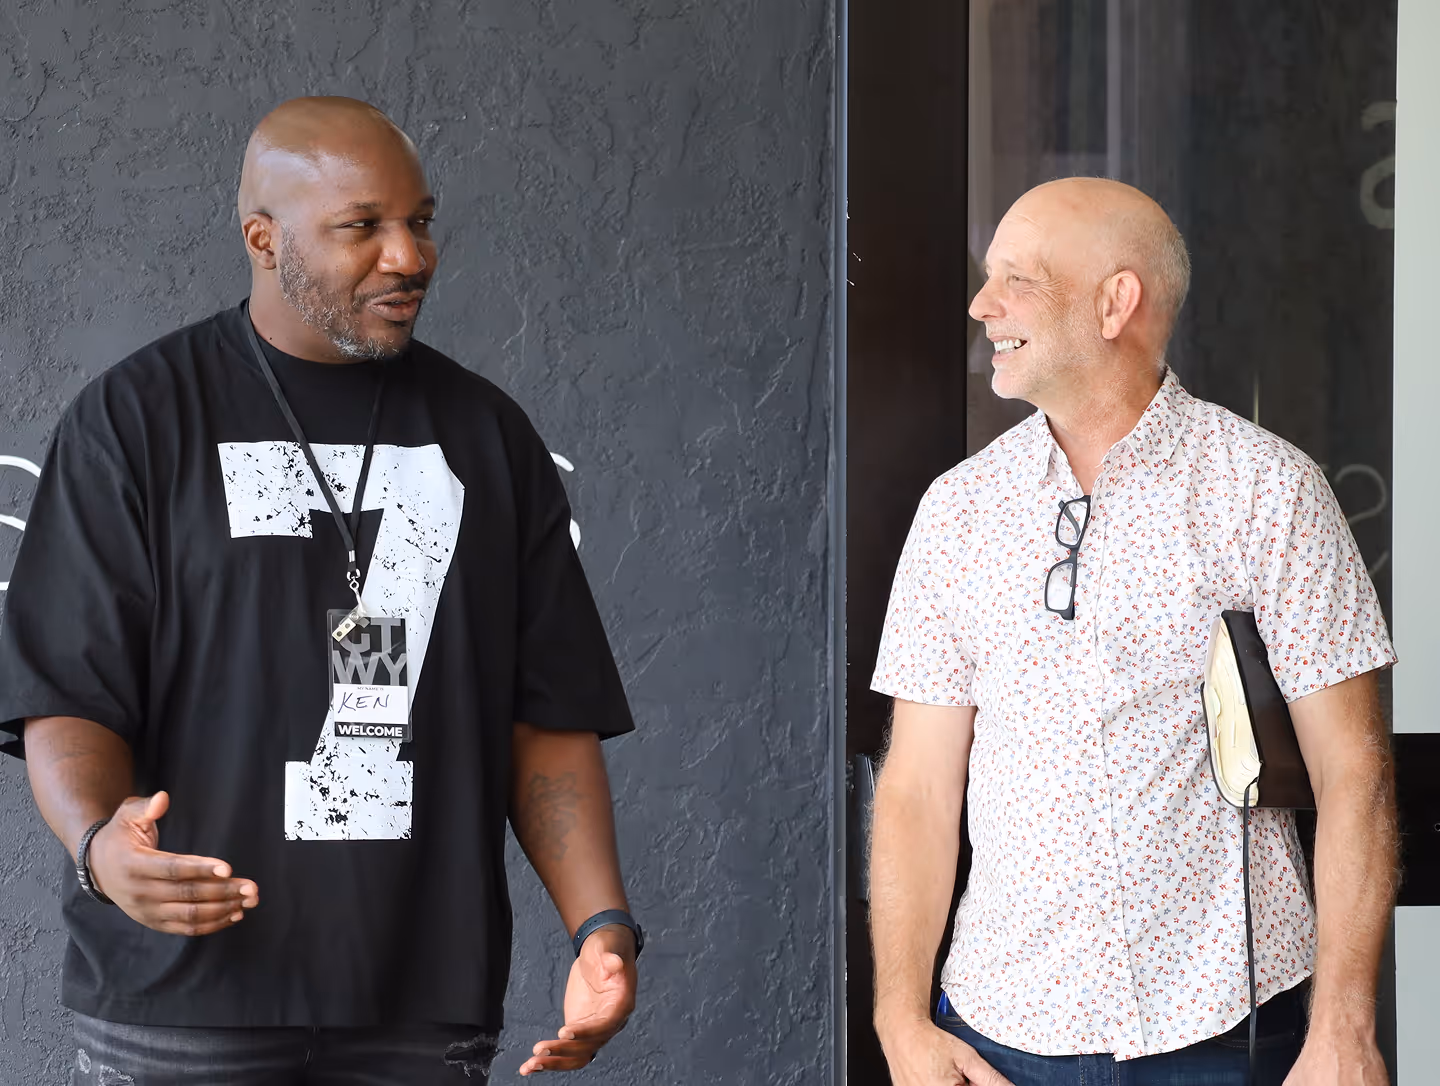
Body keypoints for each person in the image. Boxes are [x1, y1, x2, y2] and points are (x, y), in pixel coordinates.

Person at [0, 96, 640, 1084]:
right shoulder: (134, 421)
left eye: (419, 222)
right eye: (363, 227)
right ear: (263, 237)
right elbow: (67, 699)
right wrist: (100, 847)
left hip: (418, 1003)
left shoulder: (487, 438)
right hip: (180, 1004)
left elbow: (546, 721)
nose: (409, 257)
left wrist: (601, 927)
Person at [868, 177, 1397, 1086]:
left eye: (1017, 280)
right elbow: (916, 788)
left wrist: (1343, 1028)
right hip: (999, 1041)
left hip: (1229, 1037)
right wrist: (900, 1022)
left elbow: (1357, 773)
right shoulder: (956, 513)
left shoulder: (1267, 492)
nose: (981, 304)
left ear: (1118, 302)